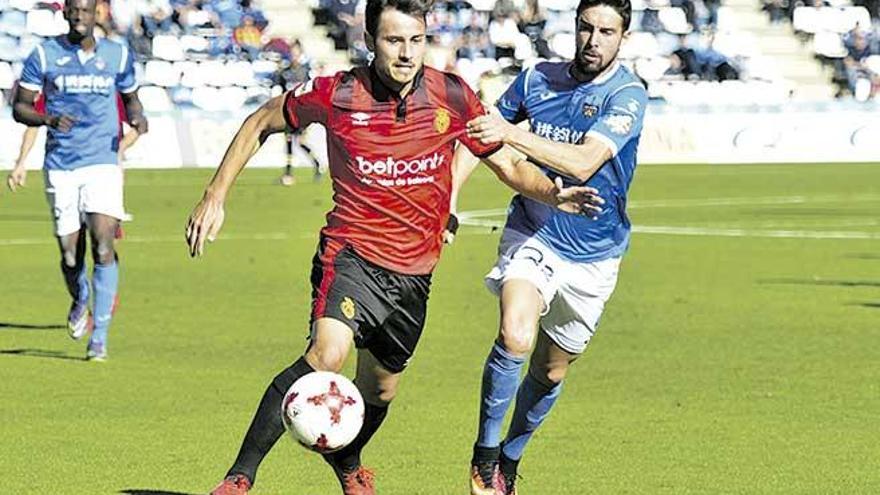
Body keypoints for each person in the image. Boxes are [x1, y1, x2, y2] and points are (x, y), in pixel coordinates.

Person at [184, 0, 604, 493]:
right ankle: (239, 477)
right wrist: (215, 194)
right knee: (327, 354)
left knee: (381, 389)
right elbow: (261, 120)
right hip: (351, 256)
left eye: (416, 40)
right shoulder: (338, 93)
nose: (406, 53)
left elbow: (508, 166)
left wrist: (554, 193)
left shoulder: (451, 94)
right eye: (394, 40)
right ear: (369, 41)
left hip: (414, 275)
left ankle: (348, 463)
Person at [449, 0, 648, 493]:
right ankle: (485, 454)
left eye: (606, 31)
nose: (594, 40)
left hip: (596, 255)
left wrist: (512, 133)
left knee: (552, 371)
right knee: (516, 335)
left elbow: (583, 163)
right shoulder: (537, 79)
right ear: (574, 28)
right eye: (586, 27)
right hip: (534, 230)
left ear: (624, 38)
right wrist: (449, 200)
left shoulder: (627, 95)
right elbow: (478, 137)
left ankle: (511, 457)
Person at [9, 0, 148, 361]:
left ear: (95, 14)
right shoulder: (44, 53)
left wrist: (138, 118)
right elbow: (19, 106)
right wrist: (48, 120)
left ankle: (99, 336)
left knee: (104, 243)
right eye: (74, 11)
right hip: (61, 165)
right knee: (71, 254)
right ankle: (80, 297)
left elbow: (132, 99)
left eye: (86, 11)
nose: (80, 17)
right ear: (65, 14)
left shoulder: (117, 54)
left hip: (102, 161)